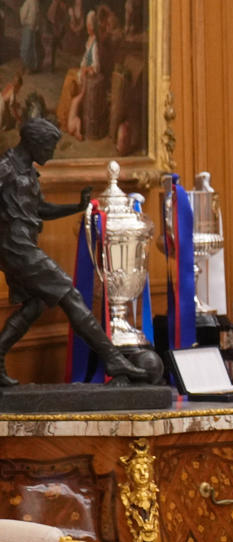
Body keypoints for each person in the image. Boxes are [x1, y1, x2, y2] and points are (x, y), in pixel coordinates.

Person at [0, 115, 154, 386]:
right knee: (70, 295)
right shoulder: (6, 168)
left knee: (35, 306)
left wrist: (77, 207)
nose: (51, 153)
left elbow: (39, 209)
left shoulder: (28, 171)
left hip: (24, 245)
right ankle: (112, 357)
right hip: (15, 247)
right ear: (35, 143)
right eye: (49, 147)